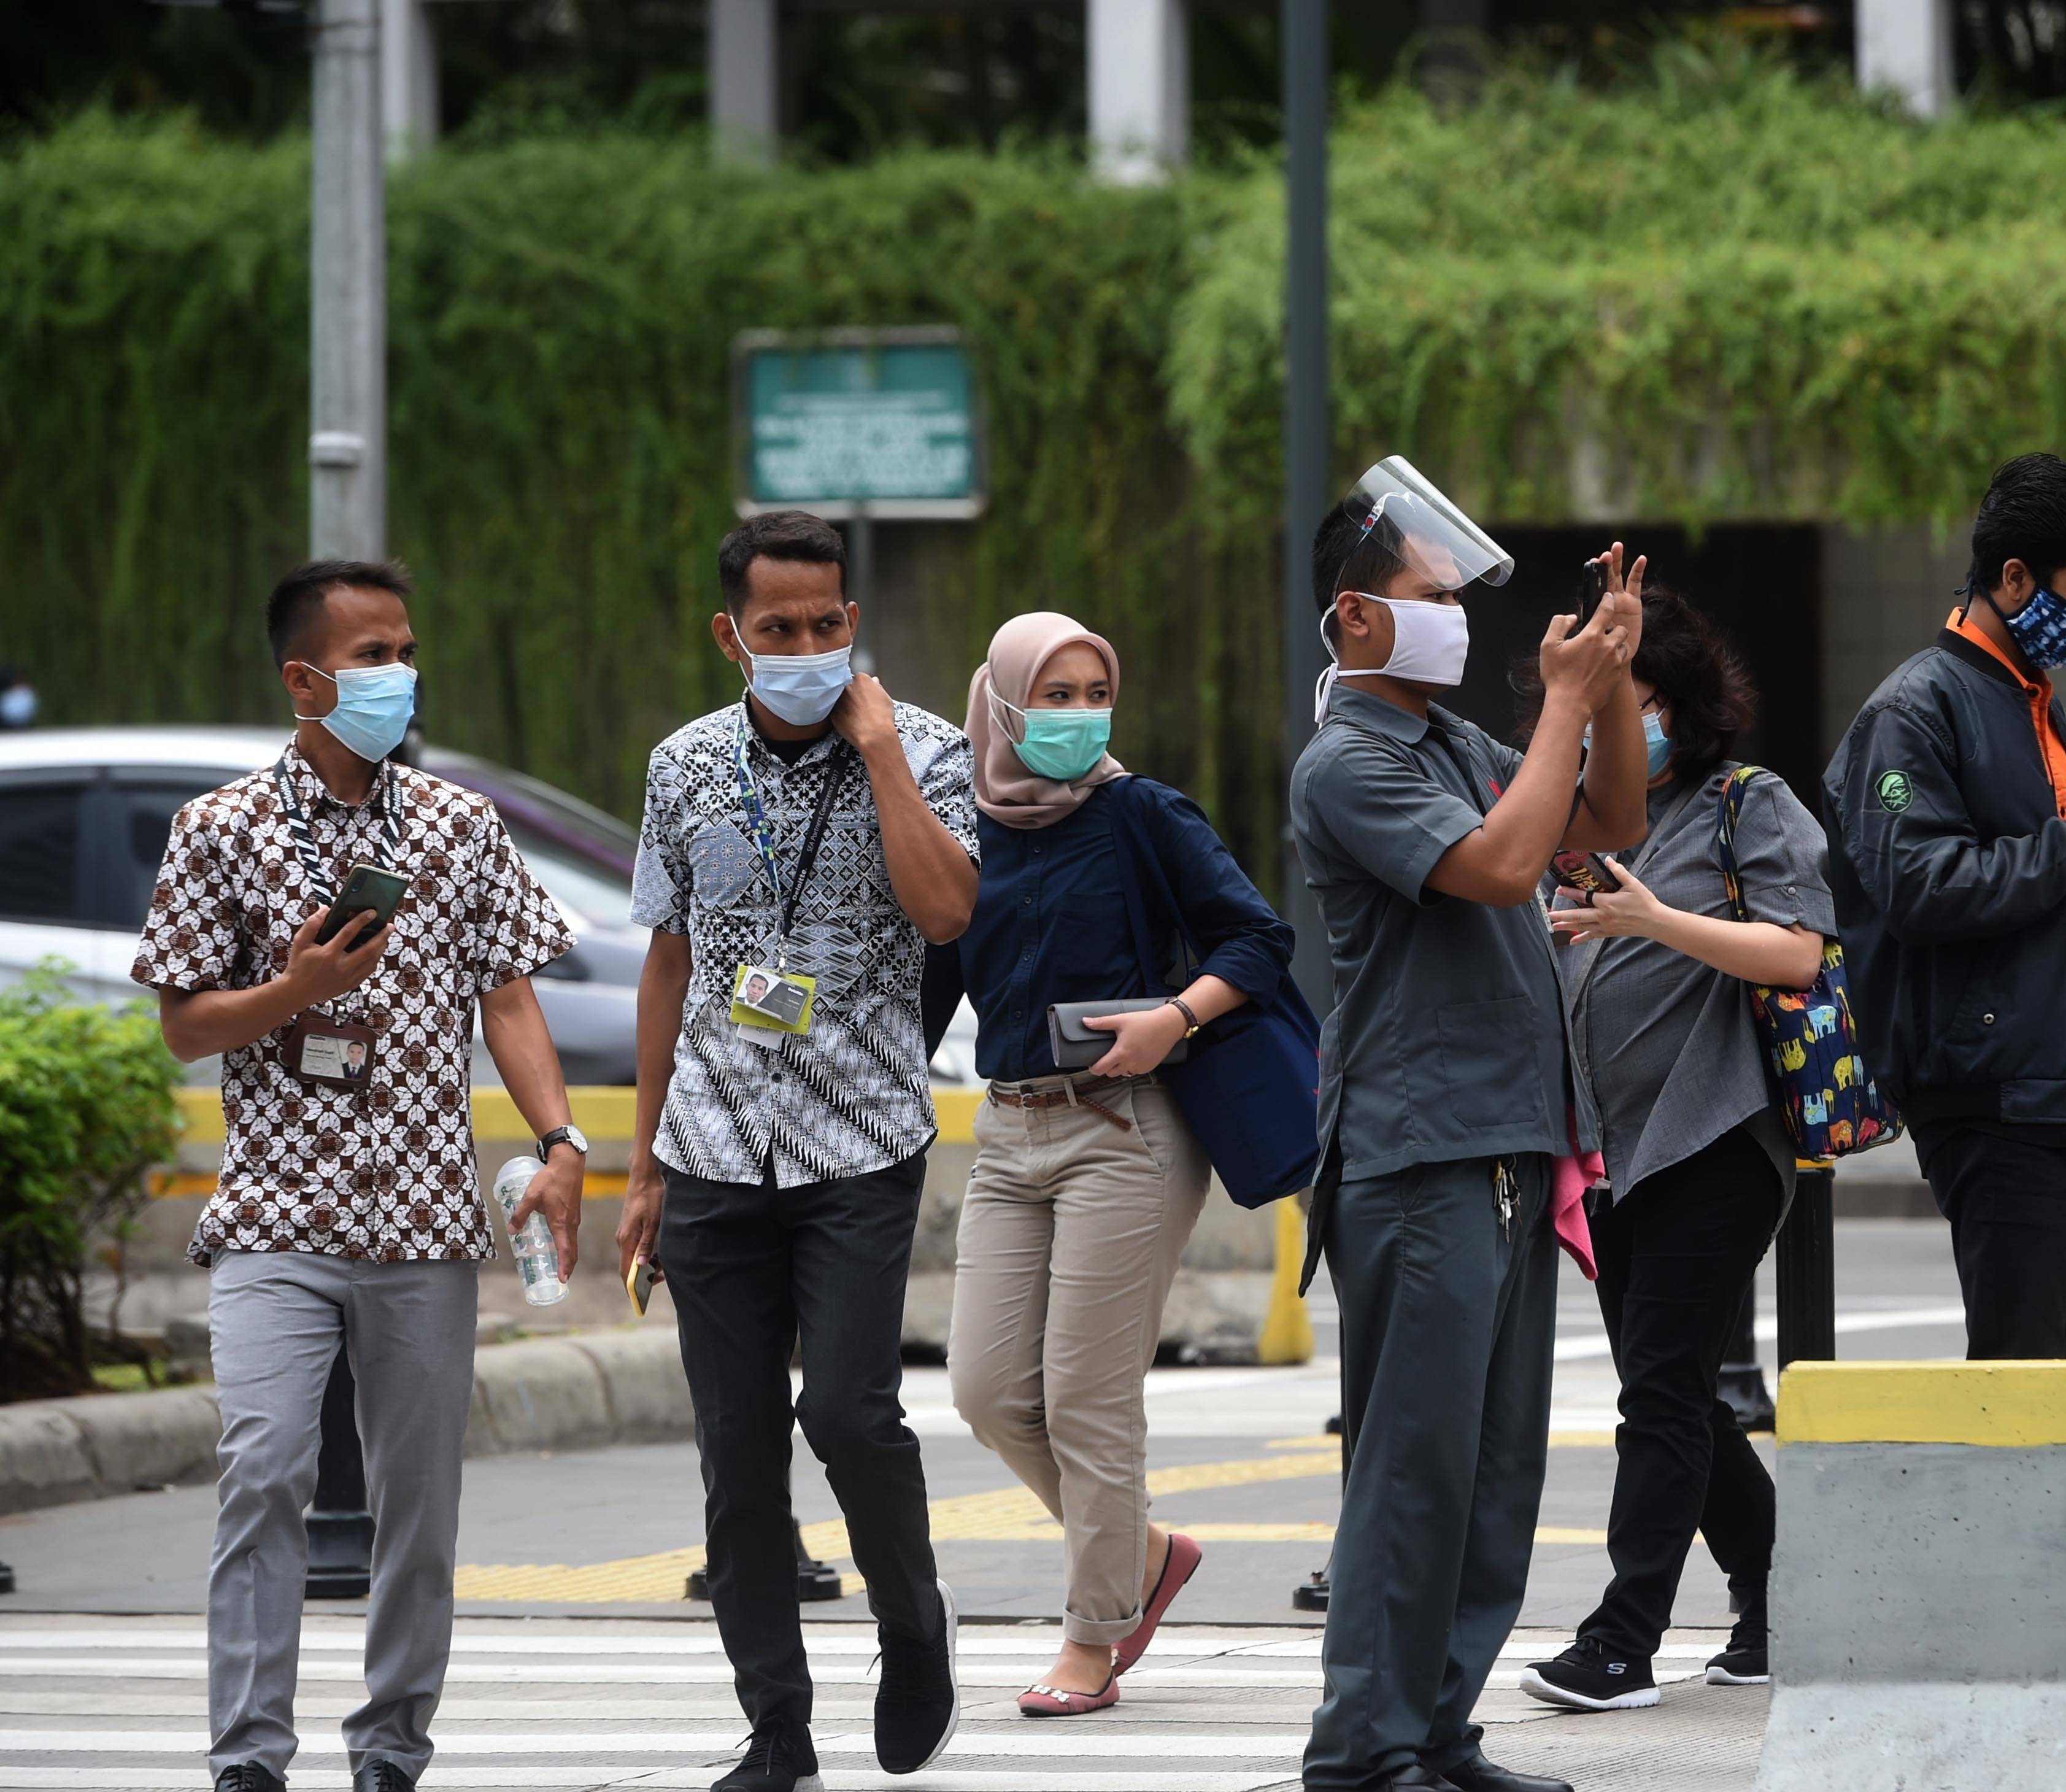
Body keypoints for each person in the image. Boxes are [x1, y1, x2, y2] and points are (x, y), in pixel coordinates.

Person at [133, 559, 584, 1792]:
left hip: (427, 1223)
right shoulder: (218, 828)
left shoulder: (454, 824)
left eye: (404, 650)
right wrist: (294, 992)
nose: (399, 674)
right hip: (276, 1214)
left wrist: (559, 1145)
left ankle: (391, 1746)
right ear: (305, 677)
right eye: (374, 654)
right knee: (264, 1467)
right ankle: (248, 1757)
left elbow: (509, 991)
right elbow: (183, 1023)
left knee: (418, 1507)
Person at [1290, 456, 1648, 1792]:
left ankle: (1435, 1725)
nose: (1459, 614)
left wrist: (1605, 682)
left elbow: (1606, 822)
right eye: (1432, 592)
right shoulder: (1348, 761)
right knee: (1414, 1470)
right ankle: (1363, 1746)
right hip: (1417, 1149)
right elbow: (1502, 862)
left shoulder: (1446, 743)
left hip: (1505, 1140)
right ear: (1358, 618)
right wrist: (1562, 697)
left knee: (1495, 1474)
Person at [616, 511, 979, 1791]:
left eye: (829, 624)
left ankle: (911, 1619)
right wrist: (645, 1161)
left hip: (859, 1138)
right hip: (712, 1140)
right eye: (780, 630)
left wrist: (878, 754)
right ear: (732, 634)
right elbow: (668, 960)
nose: (809, 647)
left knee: (846, 1410)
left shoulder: (926, 746)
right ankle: (779, 1726)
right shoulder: (682, 766)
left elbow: (947, 911)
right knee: (737, 1452)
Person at [946, 612, 1295, 1717]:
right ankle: (1142, 1555)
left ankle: (1093, 1639)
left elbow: (1256, 937)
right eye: (1051, 692)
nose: (1076, 712)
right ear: (1001, 701)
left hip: (1127, 1128)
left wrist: (1173, 1018)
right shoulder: (962, 833)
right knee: (989, 1391)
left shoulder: (1140, 814)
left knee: (1088, 1401)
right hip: (1006, 1133)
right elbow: (917, 993)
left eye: (1094, 689)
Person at [1823, 453, 2066, 1361]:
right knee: (2020, 1382)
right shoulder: (1914, 711)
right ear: (2013, 577)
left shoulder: (2030, 704)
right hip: (1996, 1094)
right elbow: (1920, 887)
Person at [1510, 589, 1829, 1714]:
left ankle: (1621, 1637)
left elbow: (1793, 955)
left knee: (1656, 1395)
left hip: (1718, 1139)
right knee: (1680, 1398)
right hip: (1613, 1159)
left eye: (1631, 706)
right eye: (1594, 714)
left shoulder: (1746, 804)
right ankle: (1784, 1594)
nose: (1613, 732)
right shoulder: (1573, 832)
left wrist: (1652, 921)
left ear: (1681, 710)